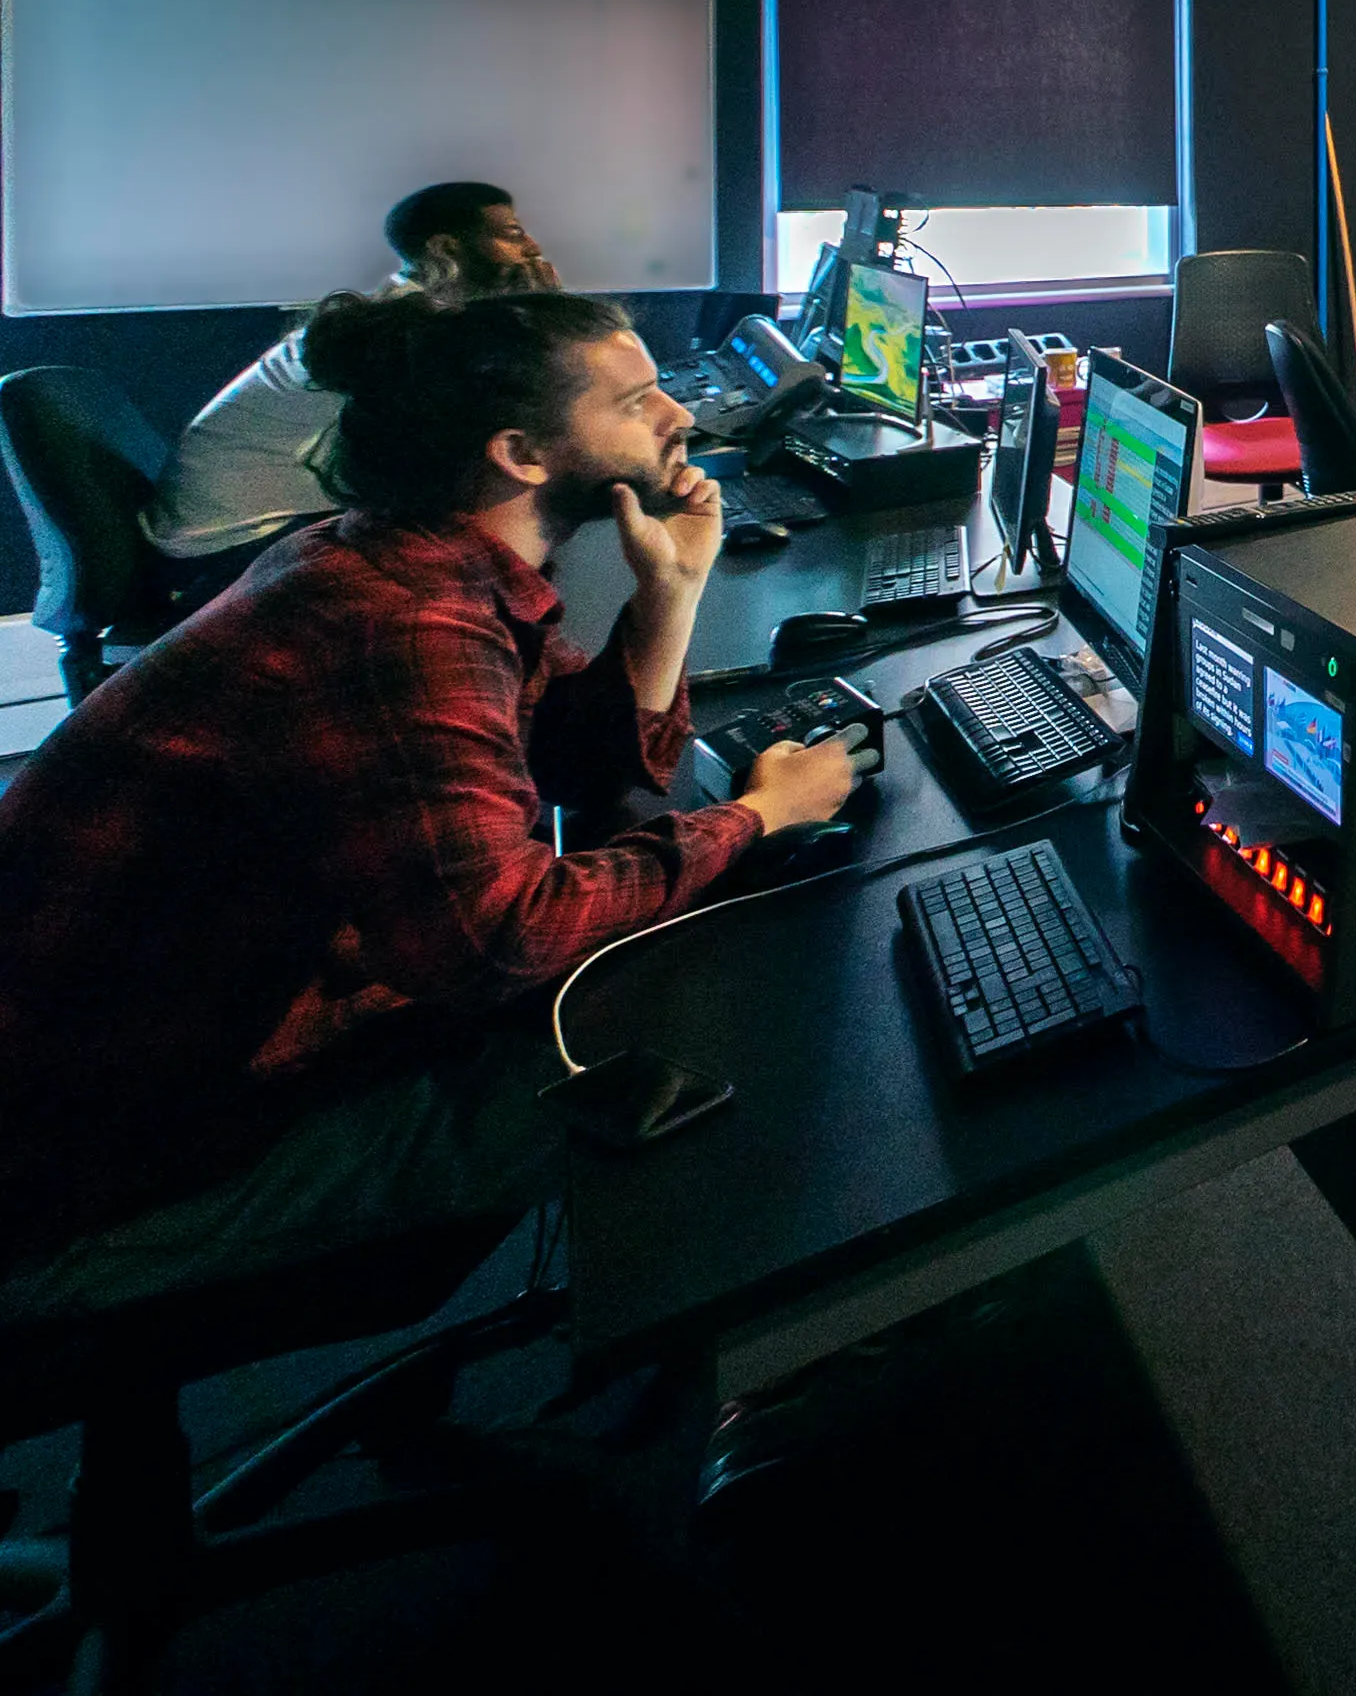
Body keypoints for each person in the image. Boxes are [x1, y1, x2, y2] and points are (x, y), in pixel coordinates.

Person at [0, 289, 858, 1310]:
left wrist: (670, 591)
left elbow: (570, 771)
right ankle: (727, 1401)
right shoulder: (403, 629)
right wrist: (757, 817)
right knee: (706, 1061)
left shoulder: (395, 556)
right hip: (100, 1174)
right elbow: (502, 941)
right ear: (520, 454)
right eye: (636, 400)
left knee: (654, 985)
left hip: (148, 1066)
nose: (678, 414)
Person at [143, 181, 563, 580]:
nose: (533, 248)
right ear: (446, 247)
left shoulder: (420, 318)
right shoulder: (391, 328)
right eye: (512, 234)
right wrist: (546, 316)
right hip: (228, 548)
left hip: (252, 532)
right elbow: (475, 422)